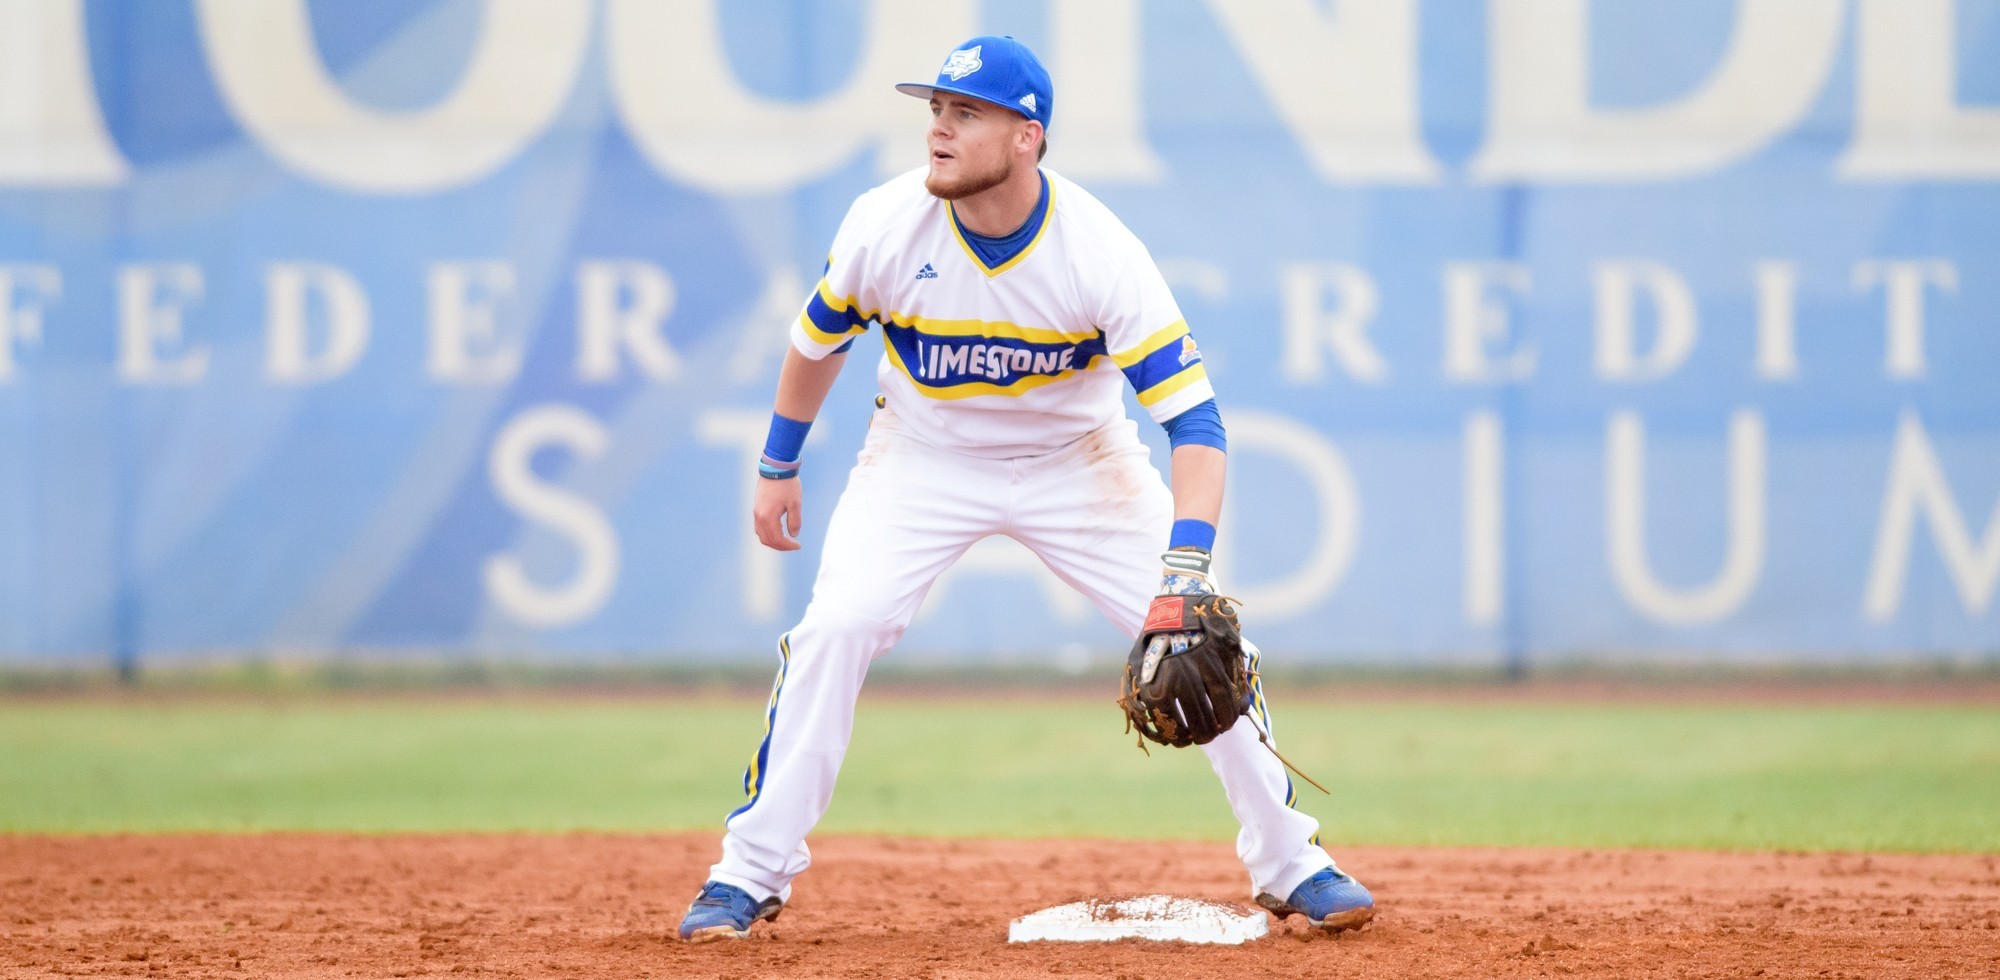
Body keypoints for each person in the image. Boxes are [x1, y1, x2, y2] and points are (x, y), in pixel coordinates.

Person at [677, 35, 1373, 943]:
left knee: (1202, 647)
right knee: (834, 629)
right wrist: (778, 464)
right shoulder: (884, 225)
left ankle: (1291, 861)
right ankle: (748, 872)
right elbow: (816, 345)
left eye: (966, 113)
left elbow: (1196, 426)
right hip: (921, 458)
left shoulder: (1098, 251)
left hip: (1078, 464)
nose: (939, 128)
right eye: (935, 109)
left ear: (1026, 137)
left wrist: (1184, 572)